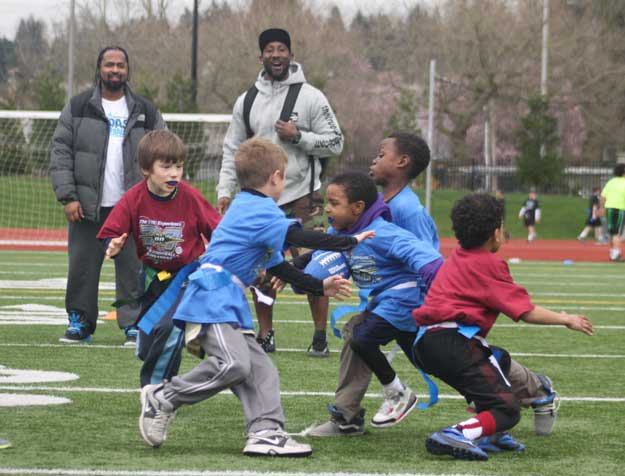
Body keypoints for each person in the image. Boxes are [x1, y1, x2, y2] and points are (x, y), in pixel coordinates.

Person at [138, 137, 372, 456]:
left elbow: (278, 266)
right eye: (284, 177)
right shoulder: (259, 210)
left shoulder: (253, 208)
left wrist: (320, 287)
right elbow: (297, 236)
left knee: (261, 369)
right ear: (275, 177)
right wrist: (349, 241)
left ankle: (265, 431)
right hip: (211, 294)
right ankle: (163, 397)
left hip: (227, 298)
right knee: (233, 363)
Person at [412, 193, 593, 461]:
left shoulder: (457, 257)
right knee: (507, 409)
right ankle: (457, 432)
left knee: (498, 359)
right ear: (496, 232)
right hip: (453, 342)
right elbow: (525, 312)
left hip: (427, 343)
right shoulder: (489, 264)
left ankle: (492, 435)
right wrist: (566, 319)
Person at [216, 28, 344, 353]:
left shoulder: (312, 97)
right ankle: (266, 333)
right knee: (262, 272)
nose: (276, 55)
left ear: (291, 54)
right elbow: (233, 148)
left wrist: (300, 136)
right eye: (269, 50)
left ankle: (319, 337)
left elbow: (336, 142)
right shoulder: (246, 100)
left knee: (313, 268)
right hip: (260, 202)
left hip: (301, 197)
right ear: (261, 57)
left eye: (281, 49)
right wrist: (224, 190)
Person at [300, 171, 443, 435]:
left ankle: (397, 393)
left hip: (403, 299)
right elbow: (321, 254)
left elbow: (431, 261)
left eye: (334, 203)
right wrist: (287, 271)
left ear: (357, 208)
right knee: (435, 359)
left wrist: (438, 300)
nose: (327, 209)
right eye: (327, 202)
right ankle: (348, 418)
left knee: (361, 337)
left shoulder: (382, 233)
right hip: (383, 303)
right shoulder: (341, 231)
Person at [50, 45, 165, 345]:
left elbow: (163, 152)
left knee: (133, 270)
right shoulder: (77, 107)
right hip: (87, 206)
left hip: (132, 208)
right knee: (82, 268)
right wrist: (68, 196)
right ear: (99, 68)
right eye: (109, 64)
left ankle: (133, 324)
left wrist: (156, 199)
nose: (115, 70)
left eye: (120, 65)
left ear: (128, 70)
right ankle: (81, 322)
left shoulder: (145, 111)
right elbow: (60, 153)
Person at [97, 130, 220, 387]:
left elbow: (218, 230)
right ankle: (174, 350)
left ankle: (156, 391)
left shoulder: (190, 197)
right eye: (165, 167)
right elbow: (111, 232)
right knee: (148, 345)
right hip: (153, 279)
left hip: (187, 277)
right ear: (146, 169)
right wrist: (113, 245)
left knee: (169, 328)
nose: (174, 173)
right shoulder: (133, 198)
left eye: (178, 166)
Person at [599, 164, 625, 261]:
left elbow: (602, 196)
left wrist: (601, 208)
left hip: (609, 209)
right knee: (617, 233)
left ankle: (613, 253)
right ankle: (616, 254)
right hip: (620, 209)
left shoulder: (610, 182)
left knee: (612, 232)